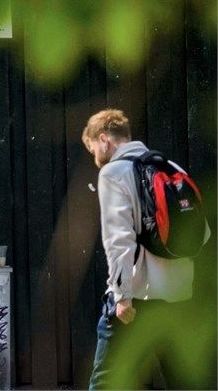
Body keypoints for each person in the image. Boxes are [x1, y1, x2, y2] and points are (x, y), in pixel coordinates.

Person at [83, 108, 205, 390]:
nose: (95, 158)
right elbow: (203, 232)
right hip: (178, 294)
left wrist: (121, 295)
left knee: (106, 381)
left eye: (93, 150)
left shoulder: (114, 173)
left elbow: (119, 240)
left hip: (137, 296)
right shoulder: (171, 167)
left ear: (104, 140)